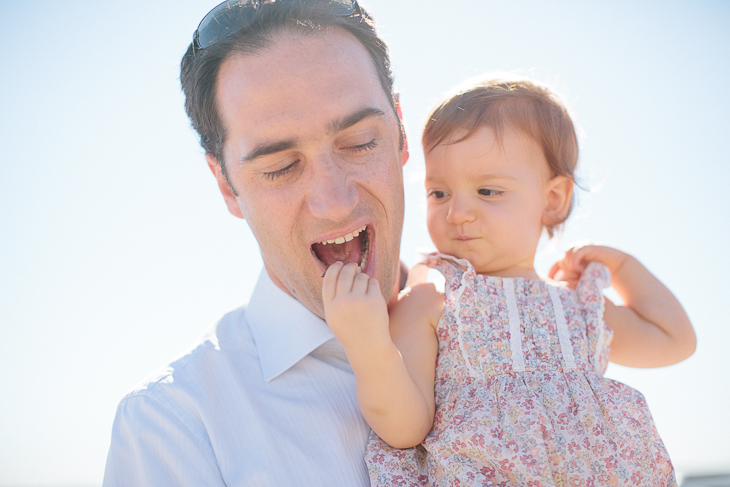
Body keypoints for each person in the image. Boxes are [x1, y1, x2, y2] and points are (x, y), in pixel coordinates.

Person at [322, 79, 697, 486]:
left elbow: (673, 339)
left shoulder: (576, 308)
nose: (458, 212)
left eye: (487, 191)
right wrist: (368, 345)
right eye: (439, 192)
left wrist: (624, 267)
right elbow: (405, 427)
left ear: (552, 200)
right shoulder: (432, 300)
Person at [103, 1, 409, 485]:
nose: (334, 202)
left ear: (400, 132)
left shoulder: (539, 328)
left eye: (359, 142)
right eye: (280, 168)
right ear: (226, 185)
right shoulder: (175, 426)